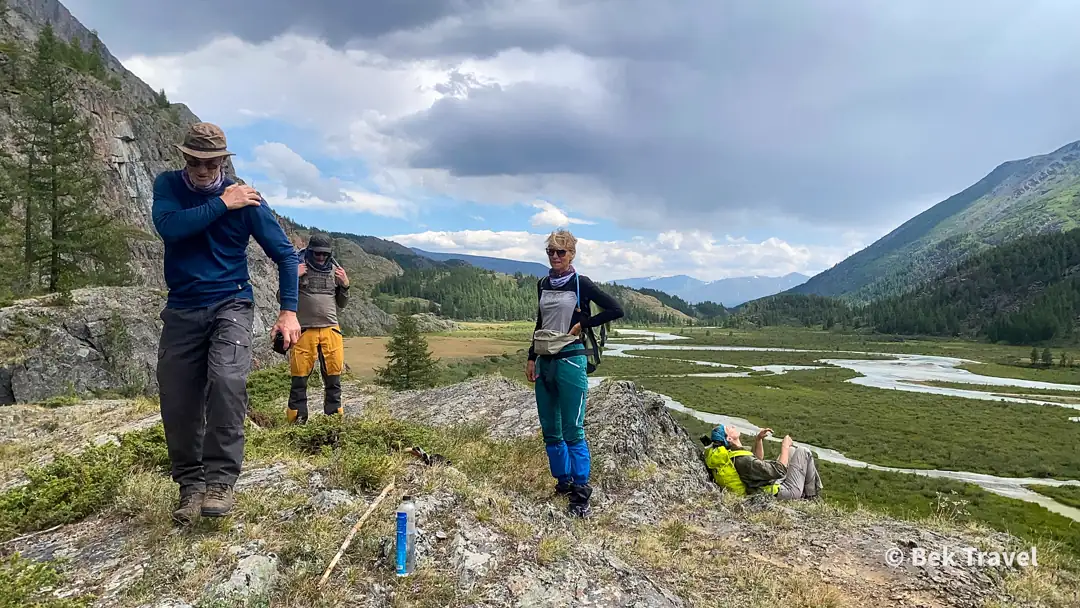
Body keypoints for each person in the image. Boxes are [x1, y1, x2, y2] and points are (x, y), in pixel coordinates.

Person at [152, 122, 301, 525]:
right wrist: (222, 203)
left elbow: (286, 256)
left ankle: (220, 481)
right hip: (182, 307)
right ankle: (190, 487)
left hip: (231, 302)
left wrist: (288, 311)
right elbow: (169, 228)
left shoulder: (249, 199)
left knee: (227, 380)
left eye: (211, 162)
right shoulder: (168, 186)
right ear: (185, 157)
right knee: (177, 396)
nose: (202, 170)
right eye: (195, 161)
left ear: (223, 159)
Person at [525, 229, 624, 518]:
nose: (555, 257)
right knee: (550, 428)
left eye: (561, 252)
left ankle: (581, 493)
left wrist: (586, 322)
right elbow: (540, 321)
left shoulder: (581, 283)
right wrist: (532, 357)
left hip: (570, 359)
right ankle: (563, 481)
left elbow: (616, 309)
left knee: (573, 428)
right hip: (545, 361)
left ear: (572, 254)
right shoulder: (543, 284)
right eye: (551, 252)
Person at [285, 232, 350, 424]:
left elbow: (342, 303)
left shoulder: (335, 271)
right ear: (310, 252)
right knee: (299, 379)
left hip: (331, 330)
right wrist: (292, 278)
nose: (321, 257)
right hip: (304, 330)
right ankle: (297, 421)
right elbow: (282, 298)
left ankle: (332, 423)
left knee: (333, 379)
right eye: (317, 254)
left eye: (324, 254)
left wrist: (345, 285)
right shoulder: (297, 268)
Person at [701, 423, 822, 500]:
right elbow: (779, 470)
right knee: (803, 451)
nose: (732, 426)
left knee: (791, 451)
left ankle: (807, 493)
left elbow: (757, 461)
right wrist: (784, 446)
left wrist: (758, 439)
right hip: (783, 492)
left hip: (768, 486)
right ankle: (811, 497)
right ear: (729, 438)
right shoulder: (742, 460)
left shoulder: (733, 455)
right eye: (729, 428)